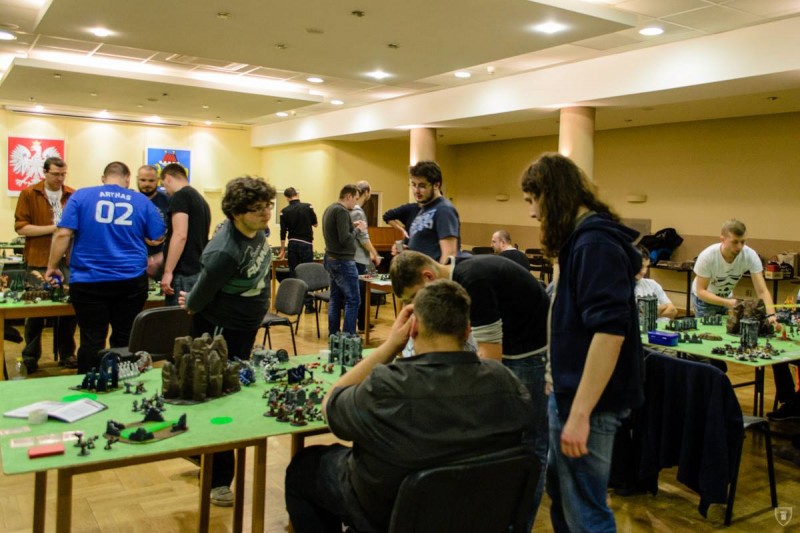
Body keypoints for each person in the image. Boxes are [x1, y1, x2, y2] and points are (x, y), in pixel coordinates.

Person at [285, 279, 534, 533]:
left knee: (303, 468)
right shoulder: (506, 381)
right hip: (476, 511)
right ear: (468, 330)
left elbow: (330, 405)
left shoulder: (387, 386)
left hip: (386, 512)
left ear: (412, 329)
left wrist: (390, 346)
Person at [520, 152, 643, 533]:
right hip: (570, 393)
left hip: (590, 404)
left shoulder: (595, 244)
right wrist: (555, 375)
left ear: (553, 195)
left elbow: (609, 334)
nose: (532, 213)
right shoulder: (582, 241)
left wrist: (580, 413)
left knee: (585, 512)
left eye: (533, 200)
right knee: (564, 495)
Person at [390, 250, 549, 526]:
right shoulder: (459, 272)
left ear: (428, 277)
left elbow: (490, 363)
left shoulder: (475, 280)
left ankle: (518, 525)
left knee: (529, 448)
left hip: (528, 357)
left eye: (414, 297)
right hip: (514, 347)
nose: (416, 306)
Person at [179, 175, 276, 506]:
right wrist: (192, 301)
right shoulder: (224, 250)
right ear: (236, 213)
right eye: (257, 209)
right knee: (220, 399)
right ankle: (219, 480)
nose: (266, 213)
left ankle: (201, 452)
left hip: (244, 327)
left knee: (229, 392)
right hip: (221, 329)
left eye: (267, 206)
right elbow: (199, 296)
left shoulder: (257, 231)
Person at [45, 161, 166, 374]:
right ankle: (123, 381)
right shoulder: (141, 201)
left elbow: (63, 234)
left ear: (103, 178)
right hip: (130, 280)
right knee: (125, 337)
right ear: (127, 179)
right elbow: (157, 236)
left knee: (91, 338)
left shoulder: (81, 196)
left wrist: (52, 267)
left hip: (88, 280)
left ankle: (89, 383)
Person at [690, 219, 797, 417]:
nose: (739, 247)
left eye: (743, 242)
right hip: (705, 300)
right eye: (735, 242)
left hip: (727, 298)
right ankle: (712, 393)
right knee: (708, 345)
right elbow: (702, 291)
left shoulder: (749, 255)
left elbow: (762, 290)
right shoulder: (707, 256)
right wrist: (728, 303)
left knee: (729, 335)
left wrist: (771, 315)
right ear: (723, 239)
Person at [13, 156, 78, 371]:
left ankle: (67, 353)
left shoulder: (72, 194)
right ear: (45, 173)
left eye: (63, 174)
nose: (60, 178)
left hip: (67, 259)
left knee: (68, 308)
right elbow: (21, 228)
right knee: (36, 310)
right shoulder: (29, 194)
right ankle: (31, 355)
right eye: (55, 174)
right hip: (39, 259)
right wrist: (55, 229)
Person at [159, 163, 211, 306]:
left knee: (177, 319)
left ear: (168, 178)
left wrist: (168, 271)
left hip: (183, 274)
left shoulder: (180, 196)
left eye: (164, 185)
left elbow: (180, 235)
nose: (166, 191)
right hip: (196, 271)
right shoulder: (201, 200)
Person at [322, 184, 365, 336]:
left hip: (331, 259)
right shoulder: (342, 211)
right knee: (353, 300)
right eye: (355, 199)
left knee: (335, 299)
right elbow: (345, 240)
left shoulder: (330, 209)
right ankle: (348, 337)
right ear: (348, 196)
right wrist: (358, 230)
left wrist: (351, 225)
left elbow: (337, 230)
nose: (356, 203)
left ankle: (334, 334)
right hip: (342, 261)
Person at [401, 161, 461, 263]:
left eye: (422, 186)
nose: (416, 191)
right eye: (413, 185)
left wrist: (439, 273)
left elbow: (449, 256)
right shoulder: (424, 209)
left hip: (431, 272)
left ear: (436, 185)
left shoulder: (444, 209)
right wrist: (406, 250)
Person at [278, 186, 318, 313]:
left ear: (287, 198)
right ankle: (308, 306)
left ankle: (293, 304)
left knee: (294, 273)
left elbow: (283, 232)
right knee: (307, 274)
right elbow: (315, 224)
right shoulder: (308, 207)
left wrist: (282, 250)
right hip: (306, 244)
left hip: (292, 244)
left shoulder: (284, 211)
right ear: (297, 194)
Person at [351, 181, 382, 333]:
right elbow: (363, 238)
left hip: (355, 257)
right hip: (357, 259)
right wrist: (375, 253)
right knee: (360, 293)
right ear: (367, 192)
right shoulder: (358, 211)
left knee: (358, 293)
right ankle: (362, 324)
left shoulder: (352, 209)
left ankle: (361, 323)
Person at [136, 165, 169, 278]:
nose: (147, 184)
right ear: (137, 179)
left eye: (151, 181)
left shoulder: (168, 201)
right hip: (136, 256)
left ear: (158, 180)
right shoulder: (131, 200)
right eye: (143, 180)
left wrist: (164, 236)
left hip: (161, 258)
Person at [636, 245, 678, 319]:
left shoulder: (652, 284)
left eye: (646, 266)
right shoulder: (621, 289)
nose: (644, 271)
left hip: (661, 326)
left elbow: (673, 311)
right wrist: (661, 308)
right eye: (641, 266)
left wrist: (649, 312)